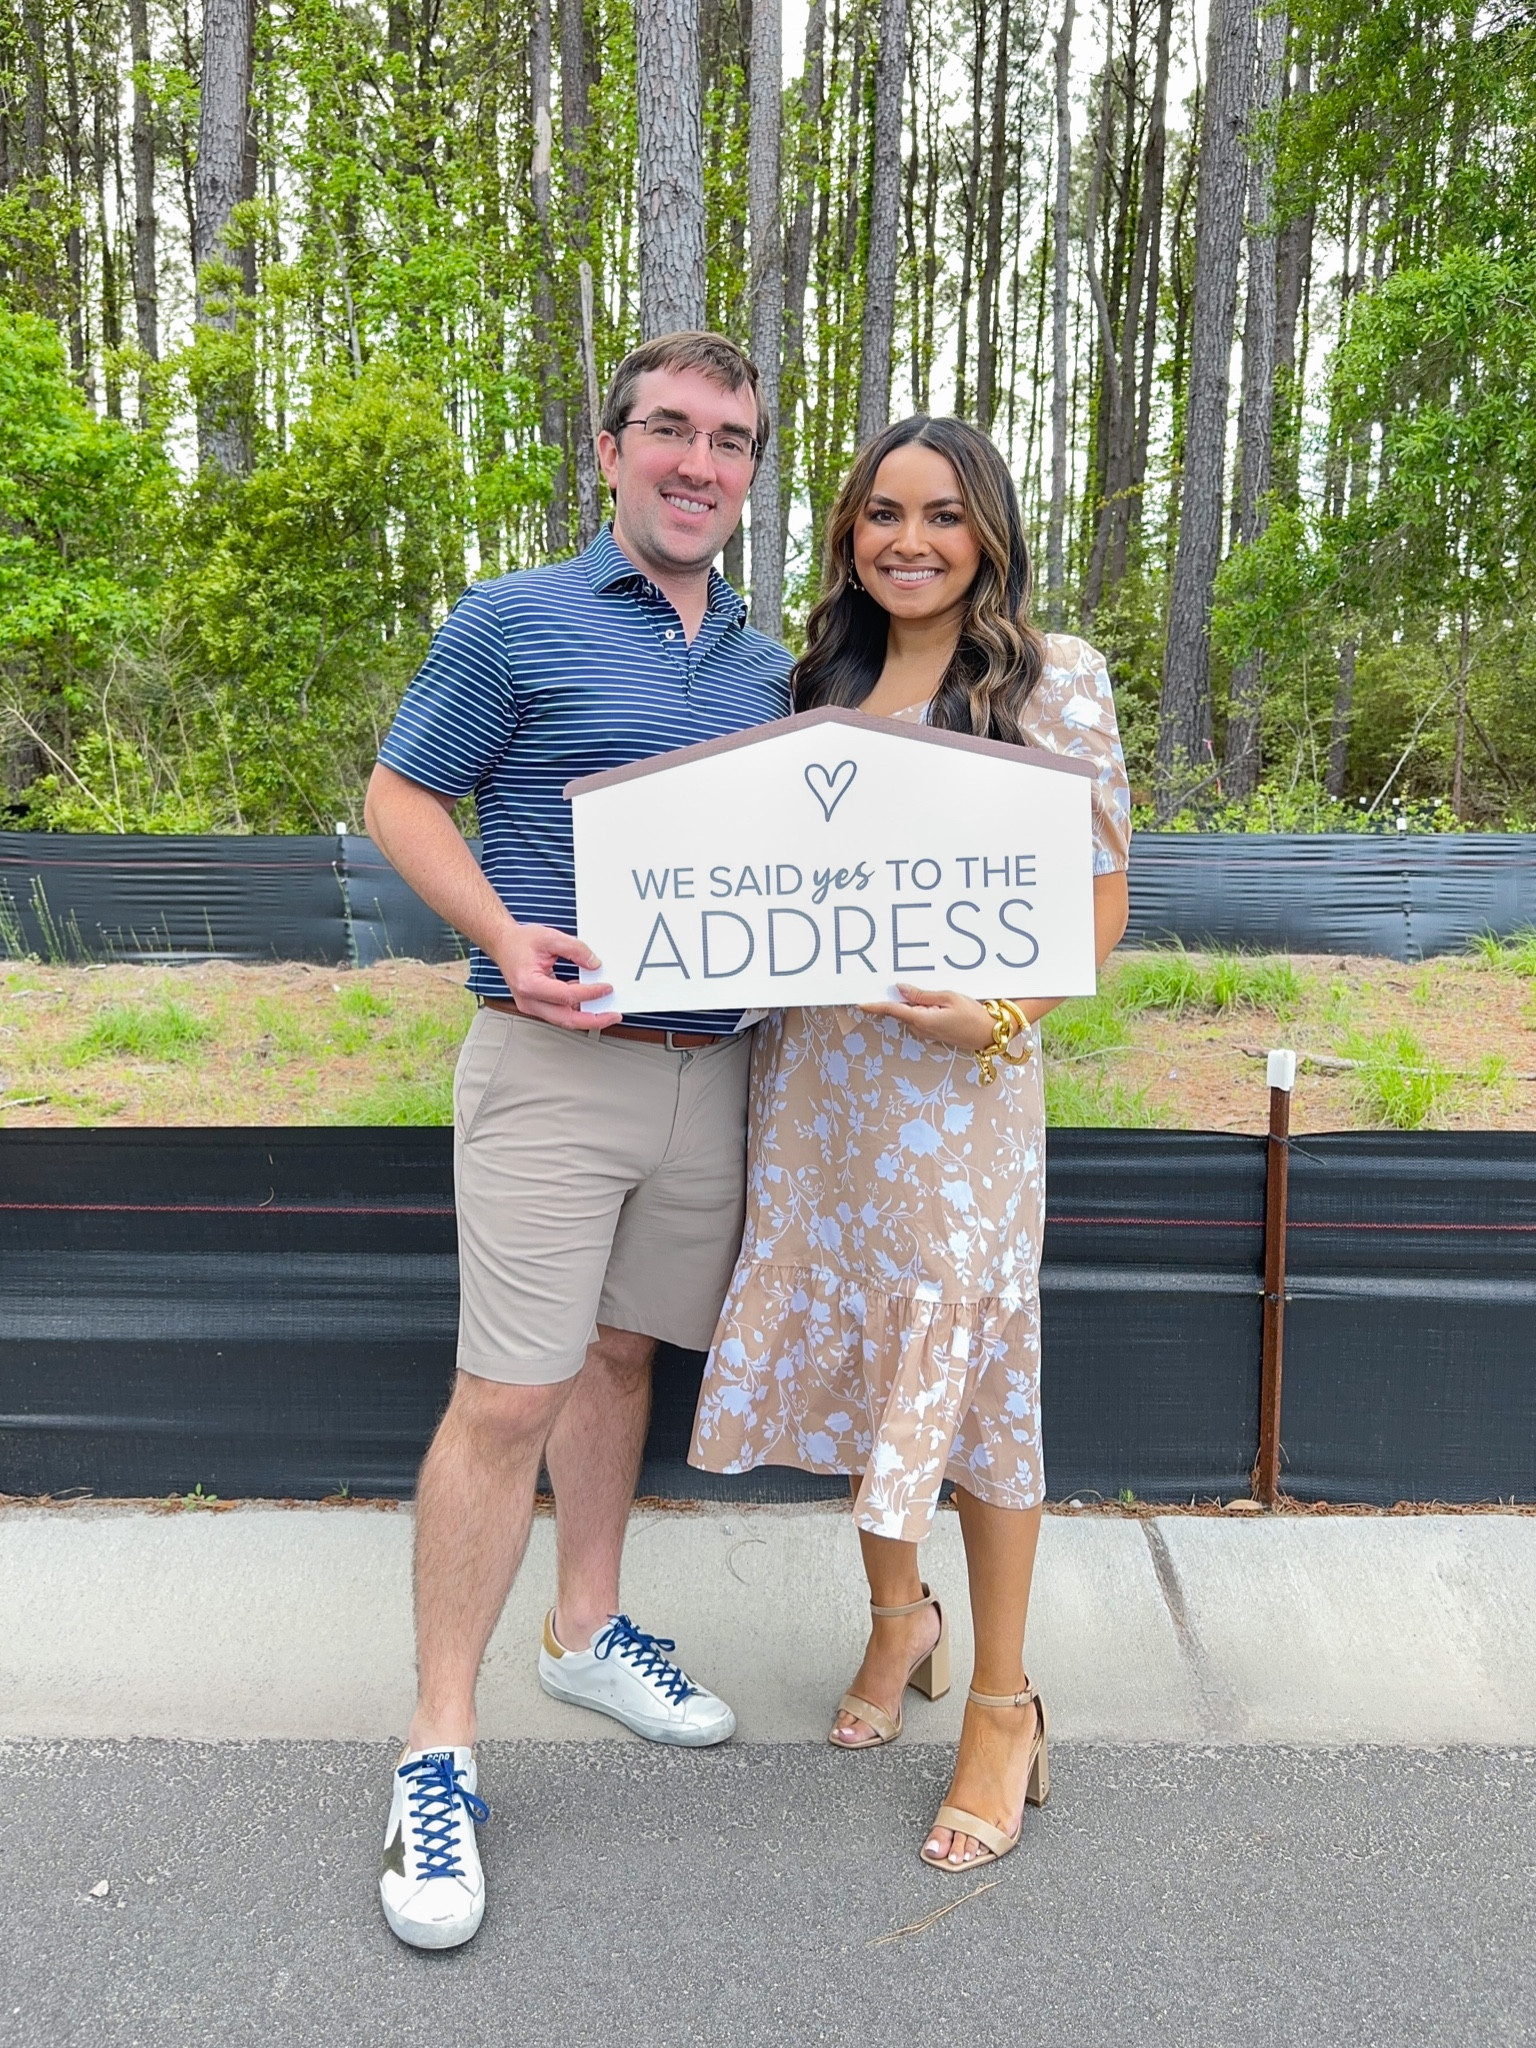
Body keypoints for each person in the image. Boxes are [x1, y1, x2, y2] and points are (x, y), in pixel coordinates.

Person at [363, 331, 793, 1950]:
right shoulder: (513, 619)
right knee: (508, 1395)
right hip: (555, 1063)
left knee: (622, 1359)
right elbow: (403, 796)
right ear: (609, 451)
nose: (699, 463)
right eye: (669, 431)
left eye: (731, 441)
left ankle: (588, 1627)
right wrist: (506, 931)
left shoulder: (771, 667)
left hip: (718, 1075)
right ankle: (440, 1752)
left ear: (752, 476)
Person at [689, 415, 1131, 1872]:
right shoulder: (817, 681)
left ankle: (1001, 1703)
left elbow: (1103, 909)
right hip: (817, 1088)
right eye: (883, 513)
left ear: (988, 530)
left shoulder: (1054, 679)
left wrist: (1001, 1015)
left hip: (962, 1097)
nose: (911, 541)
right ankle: (902, 1625)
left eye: (943, 515)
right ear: (848, 532)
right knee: (869, 1360)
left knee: (979, 1383)